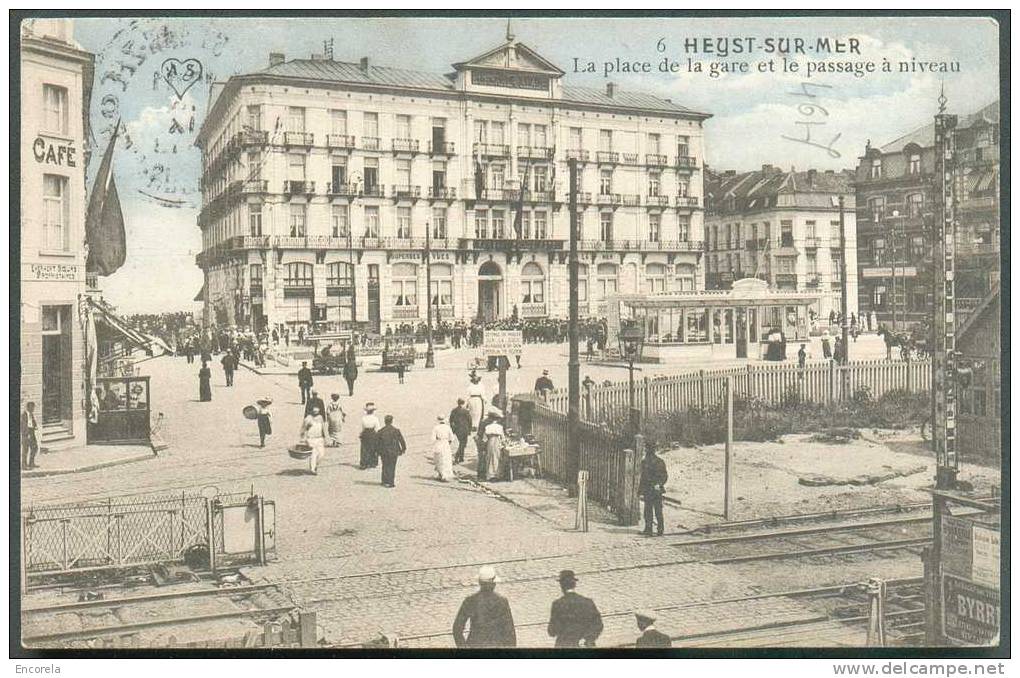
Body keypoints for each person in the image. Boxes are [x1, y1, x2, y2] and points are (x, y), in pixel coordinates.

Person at [452, 566, 517, 648]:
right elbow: (510, 632)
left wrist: (464, 648)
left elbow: (456, 628)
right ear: (494, 584)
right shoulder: (502, 601)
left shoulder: (470, 600)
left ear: (479, 582)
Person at [547, 570, 603, 648]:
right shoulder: (587, 602)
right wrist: (588, 639)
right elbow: (598, 625)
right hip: (586, 645)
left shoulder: (557, 604)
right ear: (574, 584)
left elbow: (552, 631)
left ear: (561, 585)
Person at [639, 444, 668, 537]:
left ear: (648, 450)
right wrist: (659, 484)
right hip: (656, 490)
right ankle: (659, 529)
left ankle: (649, 529)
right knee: (657, 510)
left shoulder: (645, 462)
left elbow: (642, 478)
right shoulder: (660, 461)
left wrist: (640, 490)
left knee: (649, 510)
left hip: (650, 490)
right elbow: (665, 476)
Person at [376, 414, 406, 488]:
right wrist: (403, 449)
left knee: (385, 465)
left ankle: (384, 480)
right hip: (394, 451)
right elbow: (401, 440)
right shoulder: (396, 430)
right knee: (392, 466)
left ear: (385, 421)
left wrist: (377, 451)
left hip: (384, 451)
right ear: (392, 421)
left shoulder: (380, 431)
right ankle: (391, 482)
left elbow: (376, 442)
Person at [300, 404, 328, 475]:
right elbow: (303, 429)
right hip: (310, 439)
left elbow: (323, 428)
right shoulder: (308, 419)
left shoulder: (320, 418)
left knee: (321, 454)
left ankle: (315, 465)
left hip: (319, 438)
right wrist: (303, 438)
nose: (315, 414)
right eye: (314, 412)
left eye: (317, 412)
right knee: (313, 454)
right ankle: (312, 469)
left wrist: (325, 438)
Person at [480, 411, 505, 482]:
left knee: (489, 457)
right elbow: (503, 437)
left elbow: (484, 438)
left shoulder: (488, 427)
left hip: (490, 441)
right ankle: (497, 474)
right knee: (497, 457)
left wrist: (483, 445)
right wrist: (503, 443)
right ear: (497, 420)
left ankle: (490, 475)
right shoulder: (500, 427)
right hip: (497, 442)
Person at [431, 415, 456, 482]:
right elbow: (452, 438)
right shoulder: (448, 427)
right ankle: (445, 475)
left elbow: (433, 438)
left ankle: (441, 474)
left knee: (438, 459)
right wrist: (448, 443)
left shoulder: (436, 428)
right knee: (446, 459)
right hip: (446, 444)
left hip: (439, 443)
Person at [449, 398, 472, 464]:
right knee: (463, 444)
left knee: (461, 443)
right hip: (465, 429)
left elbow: (451, 420)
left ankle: (461, 458)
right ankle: (457, 457)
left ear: (458, 403)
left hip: (457, 430)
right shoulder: (466, 411)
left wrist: (453, 429)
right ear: (463, 403)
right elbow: (470, 421)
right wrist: (469, 430)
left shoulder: (454, 410)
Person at [359, 403, 381, 469]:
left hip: (365, 433)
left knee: (364, 449)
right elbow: (377, 428)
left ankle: (364, 463)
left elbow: (363, 427)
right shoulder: (375, 418)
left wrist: (361, 434)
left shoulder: (363, 418)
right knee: (373, 449)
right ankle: (373, 463)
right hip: (372, 433)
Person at [21, 401, 39, 470]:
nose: (33, 409)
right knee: (25, 450)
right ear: (28, 407)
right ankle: (24, 465)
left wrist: (35, 426)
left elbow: (32, 422)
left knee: (35, 447)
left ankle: (31, 463)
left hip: (32, 433)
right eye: (32, 407)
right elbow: (23, 426)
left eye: (33, 407)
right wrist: (27, 434)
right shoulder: (24, 415)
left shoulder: (31, 414)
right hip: (26, 434)